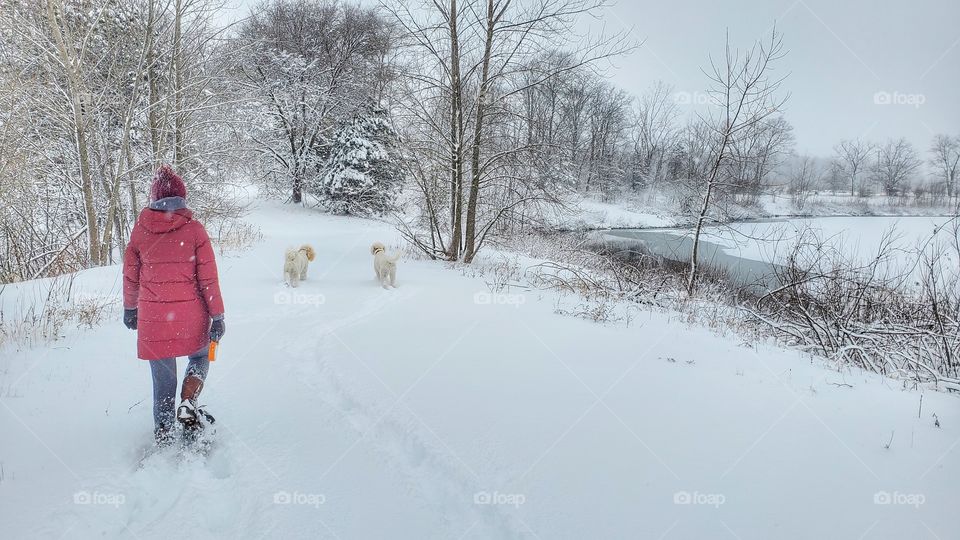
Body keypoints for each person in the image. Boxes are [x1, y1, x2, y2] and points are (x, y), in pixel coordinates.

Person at [122, 165, 226, 446]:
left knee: (162, 380)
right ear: (182, 198)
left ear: (153, 200)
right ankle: (189, 401)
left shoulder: (141, 231)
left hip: (154, 321)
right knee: (201, 356)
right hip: (192, 317)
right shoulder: (194, 230)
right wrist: (217, 315)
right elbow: (208, 278)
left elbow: (131, 275)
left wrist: (130, 308)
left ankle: (164, 434)